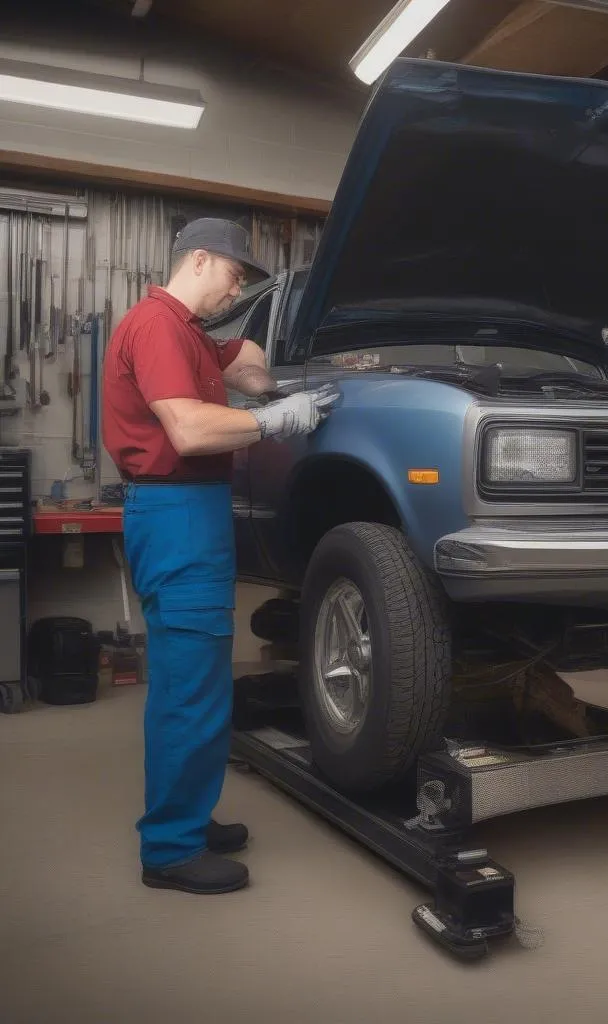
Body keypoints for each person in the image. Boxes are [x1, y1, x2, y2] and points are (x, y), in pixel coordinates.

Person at [102, 217, 337, 895]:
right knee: (188, 688)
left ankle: (189, 817)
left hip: (190, 514)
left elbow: (244, 356)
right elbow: (188, 426)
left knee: (199, 680)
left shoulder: (191, 336)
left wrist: (270, 384)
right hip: (176, 513)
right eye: (234, 276)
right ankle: (170, 849)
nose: (235, 290)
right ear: (199, 260)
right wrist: (274, 421)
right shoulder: (157, 328)